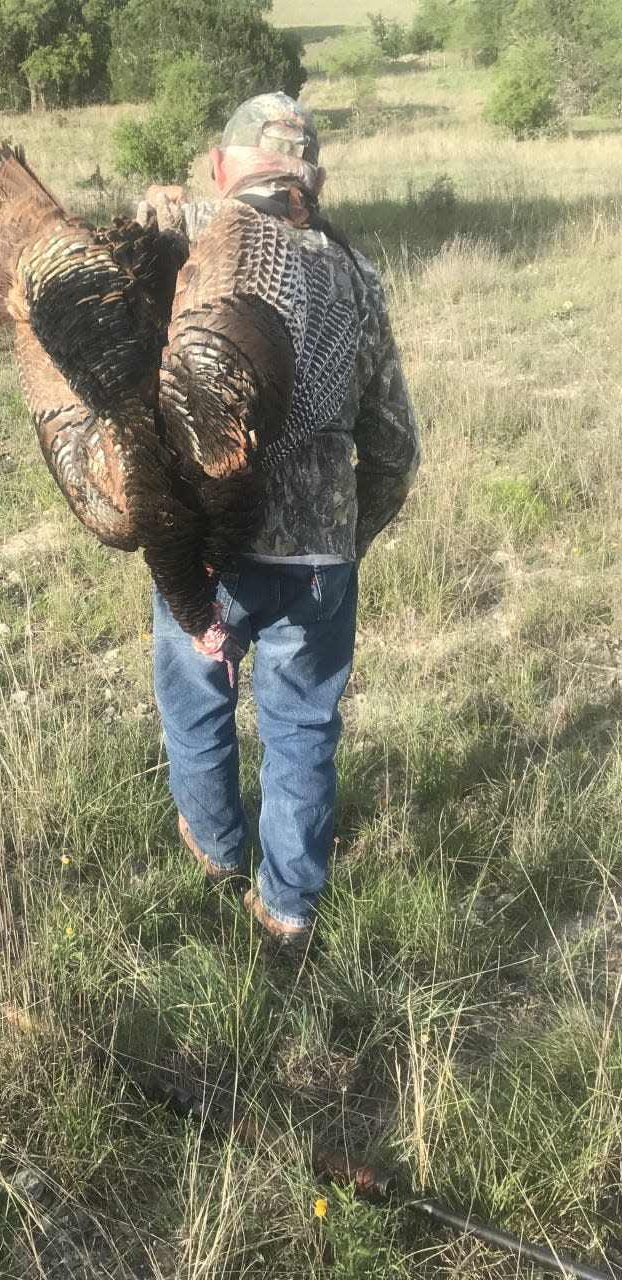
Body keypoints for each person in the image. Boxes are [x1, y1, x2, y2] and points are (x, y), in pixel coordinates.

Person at [140, 93, 421, 953]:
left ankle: (218, 850)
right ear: (315, 181)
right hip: (318, 552)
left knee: (198, 701)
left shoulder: (187, 246)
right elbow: (396, 446)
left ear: (222, 170)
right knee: (301, 726)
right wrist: (347, 543)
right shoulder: (357, 275)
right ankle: (289, 907)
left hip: (201, 548)